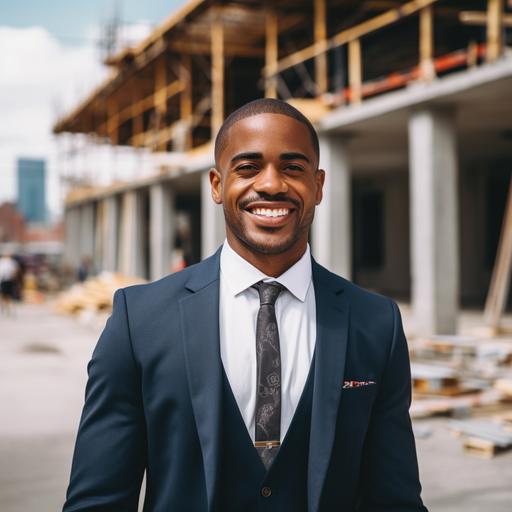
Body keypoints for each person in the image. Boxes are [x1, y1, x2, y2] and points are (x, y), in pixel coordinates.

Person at [64, 99, 428, 511]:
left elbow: (395, 499)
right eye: (248, 167)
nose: (271, 184)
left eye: (293, 167)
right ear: (217, 185)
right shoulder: (139, 319)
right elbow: (97, 501)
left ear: (319, 185)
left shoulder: (376, 323)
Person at [0, 252, 19, 316]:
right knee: (3, 295)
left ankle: (9, 308)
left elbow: (15, 270)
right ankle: (4, 307)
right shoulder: (2, 262)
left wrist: (13, 277)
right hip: (3, 280)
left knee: (9, 295)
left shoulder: (11, 262)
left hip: (9, 280)